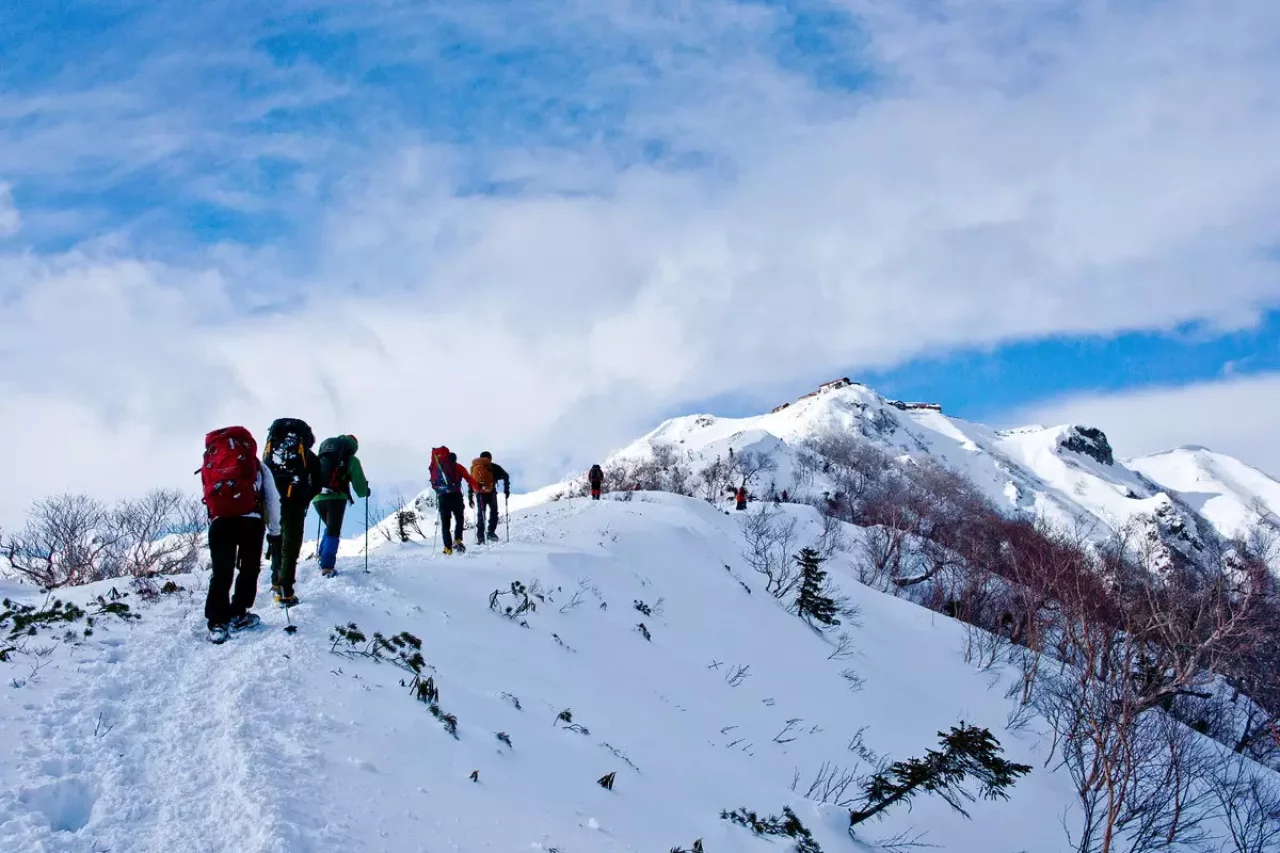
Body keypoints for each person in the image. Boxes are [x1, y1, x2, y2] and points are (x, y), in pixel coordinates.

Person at [200, 426, 280, 644]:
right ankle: (238, 613)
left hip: (220, 523)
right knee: (249, 568)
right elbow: (272, 499)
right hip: (251, 522)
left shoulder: (210, 464)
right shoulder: (257, 466)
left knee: (221, 572)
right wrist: (275, 531)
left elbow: (209, 497)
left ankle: (217, 623)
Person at [263, 418, 321, 606]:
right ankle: (286, 591)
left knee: (276, 540)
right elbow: (318, 484)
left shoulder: (270, 453)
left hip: (272, 502)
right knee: (290, 545)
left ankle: (275, 582)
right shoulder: (308, 457)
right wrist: (305, 498)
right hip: (294, 503)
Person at [313, 434, 370, 577]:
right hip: (336, 498)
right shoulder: (351, 460)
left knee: (330, 527)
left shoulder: (323, 455)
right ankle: (327, 566)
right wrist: (365, 491)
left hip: (317, 497)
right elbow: (360, 488)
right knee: (334, 531)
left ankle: (322, 555)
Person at [429, 446, 480, 555]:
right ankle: (458, 540)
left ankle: (448, 548)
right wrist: (478, 488)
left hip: (443, 498)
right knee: (459, 519)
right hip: (456, 497)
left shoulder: (437, 468)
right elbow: (469, 479)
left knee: (445, 524)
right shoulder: (458, 467)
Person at [469, 451, 511, 544]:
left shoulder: (473, 468)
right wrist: (506, 490)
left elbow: (471, 482)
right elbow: (506, 476)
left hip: (479, 494)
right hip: (491, 493)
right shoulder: (494, 467)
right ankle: (491, 532)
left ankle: (480, 537)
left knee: (481, 515)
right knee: (494, 513)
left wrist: (470, 497)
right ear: (490, 458)